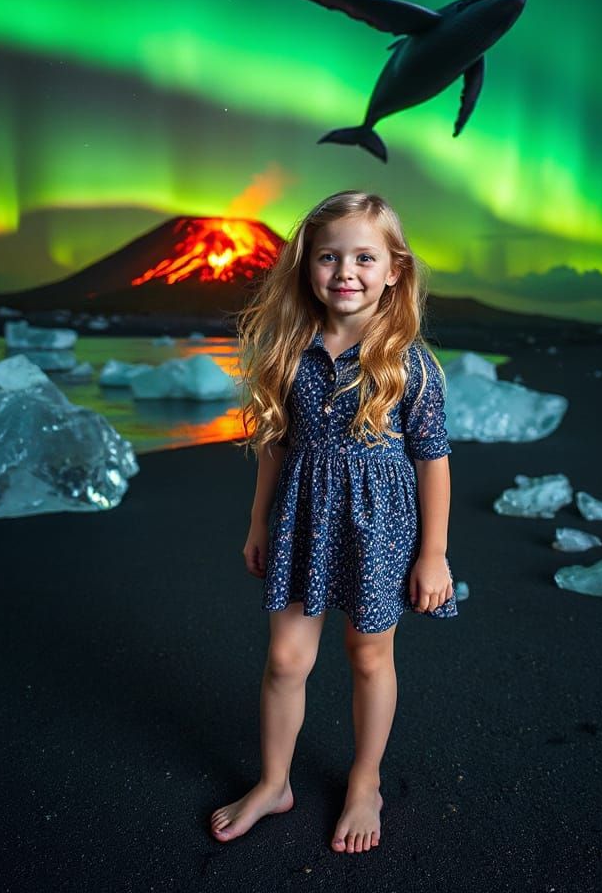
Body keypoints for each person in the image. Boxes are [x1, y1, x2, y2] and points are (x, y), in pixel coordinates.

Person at [210, 190, 457, 853]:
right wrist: (258, 524)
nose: (345, 271)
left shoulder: (412, 364)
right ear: (307, 268)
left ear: (395, 269)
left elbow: (433, 462)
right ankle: (273, 782)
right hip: (301, 521)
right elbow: (275, 449)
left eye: (363, 257)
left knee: (368, 654)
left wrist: (434, 554)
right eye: (328, 257)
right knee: (286, 658)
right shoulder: (290, 352)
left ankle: (365, 781)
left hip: (379, 529)